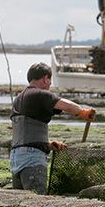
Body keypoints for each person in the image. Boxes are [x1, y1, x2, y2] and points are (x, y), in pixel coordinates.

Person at [10, 62, 96, 195]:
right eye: (49, 80)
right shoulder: (39, 94)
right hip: (32, 160)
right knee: (35, 203)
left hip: (16, 159)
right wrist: (83, 112)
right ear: (45, 78)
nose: (50, 84)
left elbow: (24, 130)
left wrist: (48, 144)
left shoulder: (18, 99)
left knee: (20, 205)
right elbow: (67, 106)